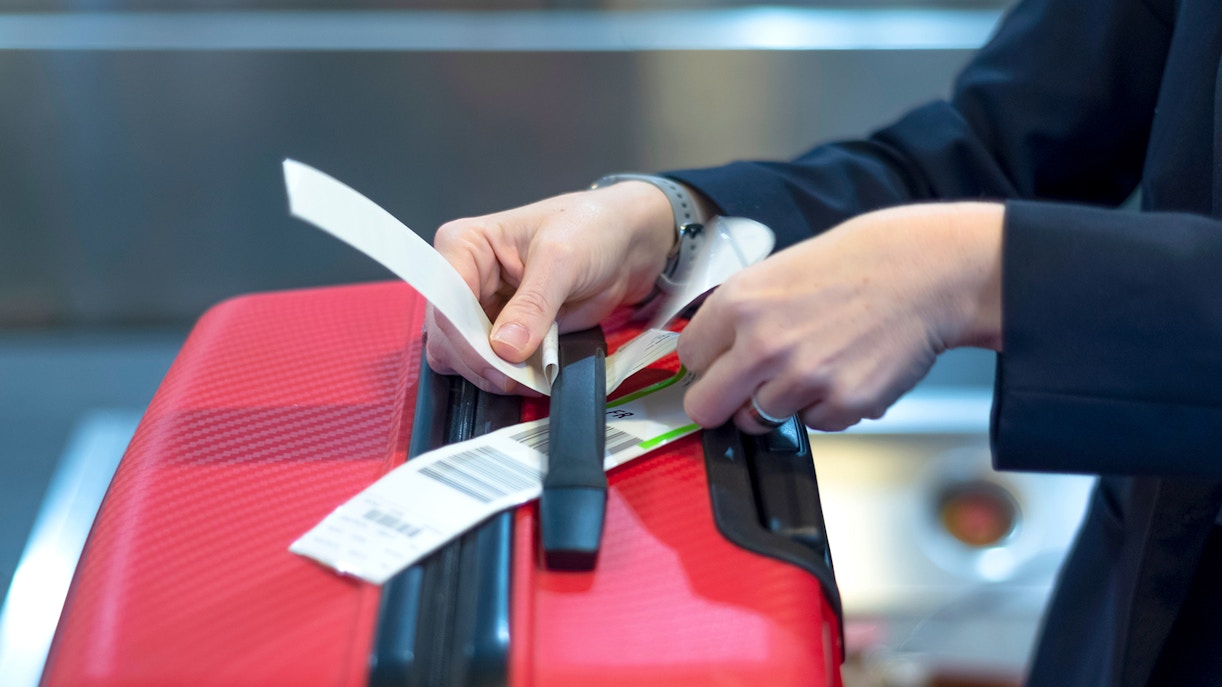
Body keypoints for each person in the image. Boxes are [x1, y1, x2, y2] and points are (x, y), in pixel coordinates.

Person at [425, 0, 1222, 684]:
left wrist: (985, 273)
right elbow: (992, 145)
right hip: (1130, 607)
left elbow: (973, 242)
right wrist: (672, 222)